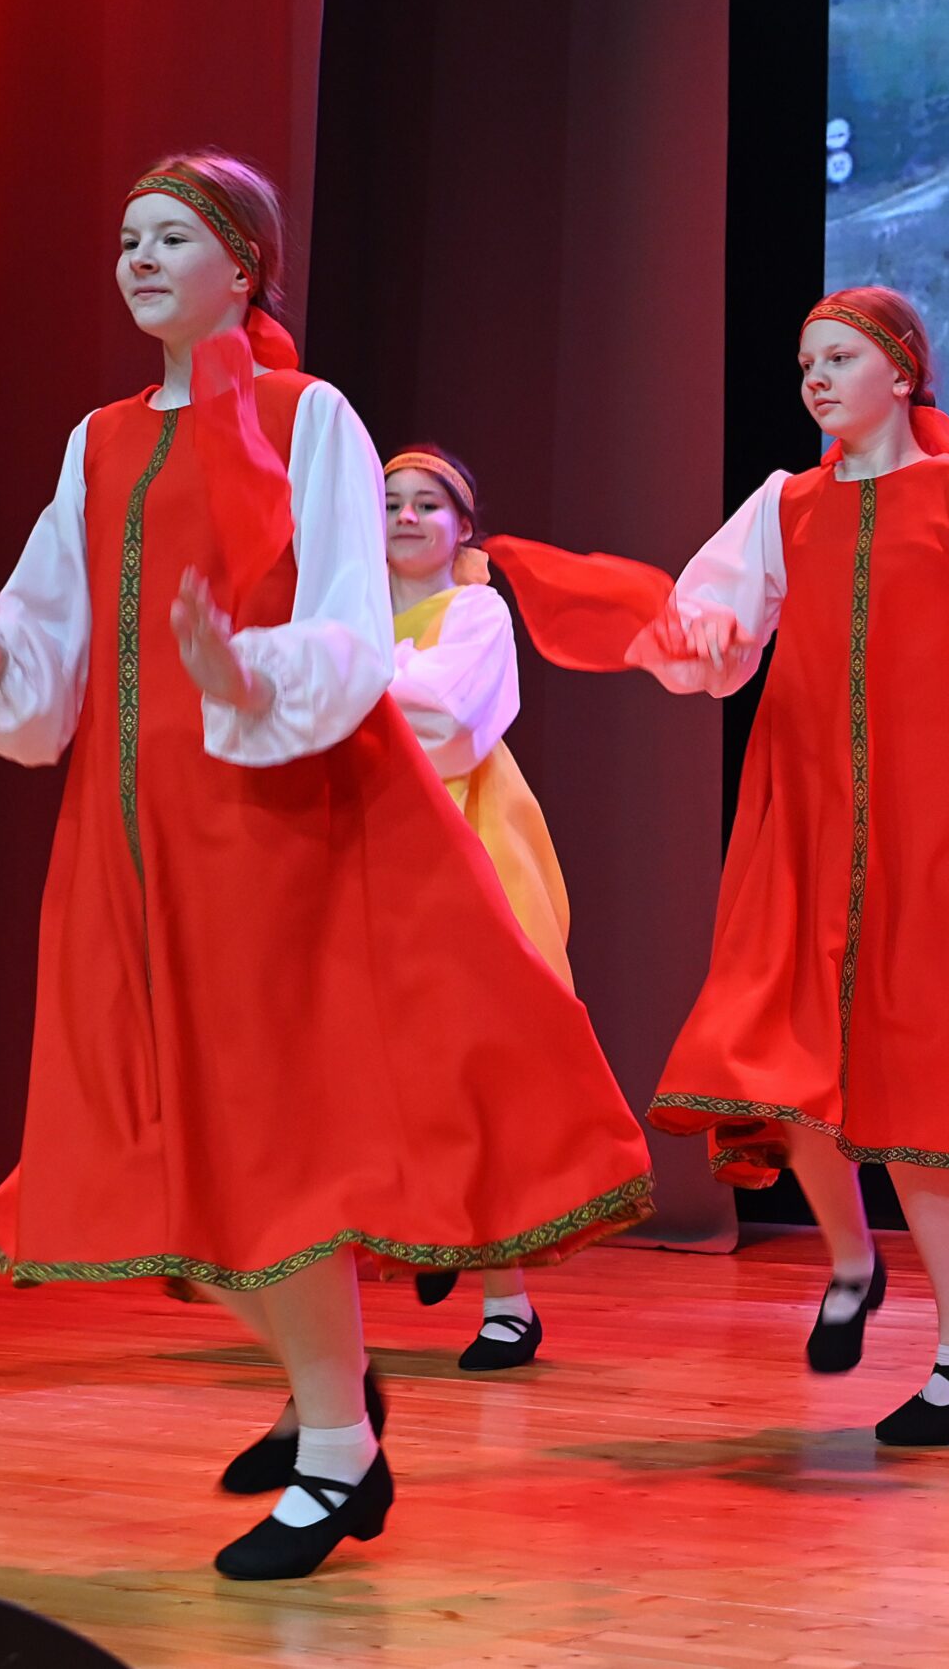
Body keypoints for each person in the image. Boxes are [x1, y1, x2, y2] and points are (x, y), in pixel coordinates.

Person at [0, 152, 652, 1578]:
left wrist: (242, 670)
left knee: (270, 1142)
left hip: (271, 828)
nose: (138, 257)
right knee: (148, 1148)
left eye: (172, 237)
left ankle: (340, 1447)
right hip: (129, 835)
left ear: (244, 265)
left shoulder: (310, 419)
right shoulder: (100, 439)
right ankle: (333, 1388)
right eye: (127, 238)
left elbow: (349, 624)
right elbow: (49, 633)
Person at [491, 287, 949, 1444]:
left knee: (919, 1083)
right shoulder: (784, 505)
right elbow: (715, 625)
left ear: (900, 372)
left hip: (932, 816)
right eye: (806, 361)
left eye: (840, 358)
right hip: (811, 812)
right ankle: (879, 1282)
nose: (815, 378)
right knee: (788, 1056)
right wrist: (705, 634)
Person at [379, 445, 570, 1370]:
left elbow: (448, 717)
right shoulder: (349, 611)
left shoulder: (475, 610)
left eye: (427, 504)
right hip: (372, 840)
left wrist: (353, 681)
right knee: (379, 1054)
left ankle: (507, 1300)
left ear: (462, 527)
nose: (406, 518)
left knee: (477, 1064)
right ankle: (427, 1225)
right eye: (391, 503)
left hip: (466, 839)